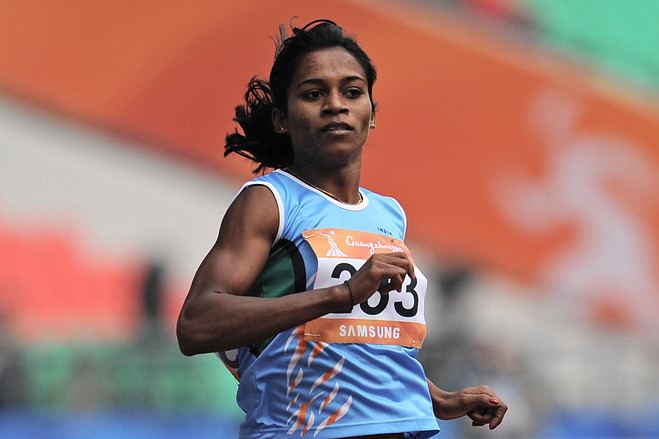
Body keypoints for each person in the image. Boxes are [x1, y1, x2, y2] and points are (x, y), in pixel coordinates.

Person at [177, 19, 508, 439]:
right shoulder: (270, 201)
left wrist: (439, 400)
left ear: (371, 115)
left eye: (352, 92)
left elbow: (361, 339)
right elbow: (196, 324)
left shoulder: (389, 214)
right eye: (314, 94)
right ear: (282, 118)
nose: (336, 105)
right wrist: (343, 292)